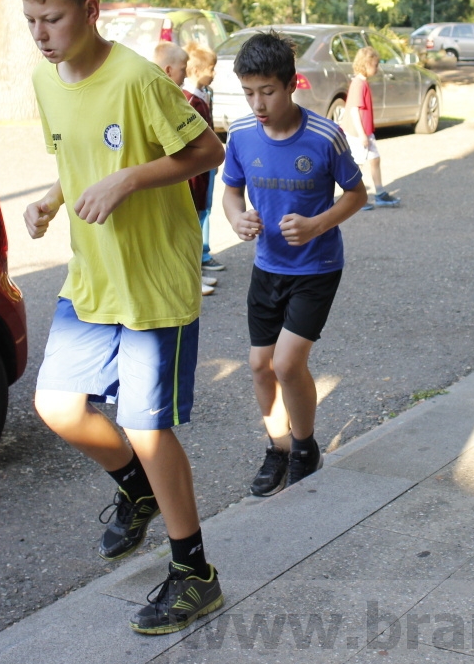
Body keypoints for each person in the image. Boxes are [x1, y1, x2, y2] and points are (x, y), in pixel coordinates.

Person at [18, 0, 226, 636]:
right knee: (55, 405)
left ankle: (194, 571)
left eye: (51, 19)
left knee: (146, 425)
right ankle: (135, 491)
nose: (41, 34)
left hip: (151, 284)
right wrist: (54, 197)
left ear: (90, 9)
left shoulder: (138, 79)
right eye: (31, 21)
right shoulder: (47, 81)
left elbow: (208, 151)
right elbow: (81, 158)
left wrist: (130, 178)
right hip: (91, 276)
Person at [221, 31, 367, 497]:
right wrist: (236, 219)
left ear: (290, 84)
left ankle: (304, 447)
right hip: (268, 266)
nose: (258, 103)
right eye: (248, 93)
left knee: (286, 363)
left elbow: (357, 195)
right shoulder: (242, 134)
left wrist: (316, 224)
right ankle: (277, 446)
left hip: (317, 266)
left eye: (267, 91)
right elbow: (230, 190)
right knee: (259, 365)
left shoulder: (326, 136)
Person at [154, 41, 218, 296]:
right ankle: (187, 279)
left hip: (195, 176)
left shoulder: (182, 95)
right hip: (185, 179)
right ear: (169, 70)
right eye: (183, 68)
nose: (186, 71)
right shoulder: (179, 98)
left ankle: (193, 275)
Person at [183, 41, 226, 273]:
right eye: (211, 68)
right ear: (198, 71)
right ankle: (196, 258)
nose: (214, 73)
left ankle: (203, 253)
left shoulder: (205, 94)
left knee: (205, 208)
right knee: (196, 209)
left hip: (206, 165)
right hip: (195, 168)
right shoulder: (189, 99)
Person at [342, 46, 400, 210]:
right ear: (365, 64)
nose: (377, 68)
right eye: (375, 65)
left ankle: (380, 192)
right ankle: (355, 198)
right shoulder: (358, 84)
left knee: (374, 159)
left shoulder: (362, 83)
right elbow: (354, 110)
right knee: (357, 164)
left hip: (366, 132)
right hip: (358, 133)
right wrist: (361, 134)